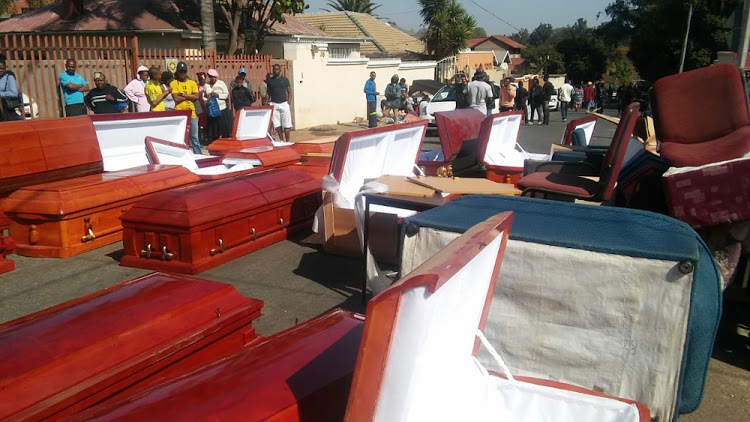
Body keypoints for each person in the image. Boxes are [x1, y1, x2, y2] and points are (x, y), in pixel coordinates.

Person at [170, 61, 201, 154]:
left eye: (184, 71)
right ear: (177, 72)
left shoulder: (192, 83)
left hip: (192, 113)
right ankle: (183, 156)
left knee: (195, 138)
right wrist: (189, 95)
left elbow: (196, 96)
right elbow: (176, 99)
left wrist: (183, 94)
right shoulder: (174, 83)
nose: (182, 73)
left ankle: (198, 156)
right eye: (180, 71)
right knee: (181, 138)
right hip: (179, 114)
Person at [203, 68, 232, 142]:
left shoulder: (221, 83)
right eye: (211, 77)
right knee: (213, 128)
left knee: (222, 127)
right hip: (211, 110)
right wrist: (206, 101)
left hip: (221, 109)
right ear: (209, 77)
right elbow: (204, 96)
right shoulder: (206, 85)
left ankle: (224, 141)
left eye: (214, 77)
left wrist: (217, 95)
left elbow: (226, 95)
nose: (213, 78)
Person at [267, 64, 292, 142]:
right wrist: (268, 102)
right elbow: (268, 93)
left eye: (277, 69)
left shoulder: (285, 80)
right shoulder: (270, 81)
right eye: (274, 69)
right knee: (277, 124)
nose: (275, 71)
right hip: (274, 104)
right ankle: (281, 140)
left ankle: (287, 141)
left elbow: (289, 91)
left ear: (280, 70)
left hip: (284, 103)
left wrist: (289, 103)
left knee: (286, 124)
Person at [195, 72, 208, 144]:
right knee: (200, 122)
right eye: (200, 79)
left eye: (203, 79)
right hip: (199, 105)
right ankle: (201, 137)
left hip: (206, 106)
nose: (202, 81)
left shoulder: (207, 86)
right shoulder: (197, 87)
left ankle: (206, 136)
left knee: (206, 121)